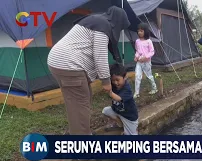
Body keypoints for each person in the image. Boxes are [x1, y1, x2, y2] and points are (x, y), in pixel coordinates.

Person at [47, 6, 130, 135]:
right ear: (118, 21)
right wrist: (106, 82)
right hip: (69, 65)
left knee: (78, 102)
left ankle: (78, 132)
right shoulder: (103, 26)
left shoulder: (96, 21)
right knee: (80, 105)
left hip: (61, 63)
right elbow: (100, 56)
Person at [102, 64, 139, 135]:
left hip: (129, 117)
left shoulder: (127, 89)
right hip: (118, 112)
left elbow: (119, 99)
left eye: (117, 80)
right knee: (105, 111)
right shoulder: (113, 85)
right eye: (113, 80)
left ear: (125, 77)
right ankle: (120, 124)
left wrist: (110, 92)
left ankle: (131, 129)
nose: (115, 82)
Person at [133, 23, 158, 98]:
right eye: (138, 31)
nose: (139, 32)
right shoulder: (137, 41)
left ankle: (154, 88)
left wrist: (146, 57)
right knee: (137, 75)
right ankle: (136, 93)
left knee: (149, 76)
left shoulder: (148, 41)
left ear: (145, 31)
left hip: (147, 62)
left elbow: (152, 51)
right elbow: (137, 51)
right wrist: (136, 56)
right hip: (139, 62)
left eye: (141, 31)